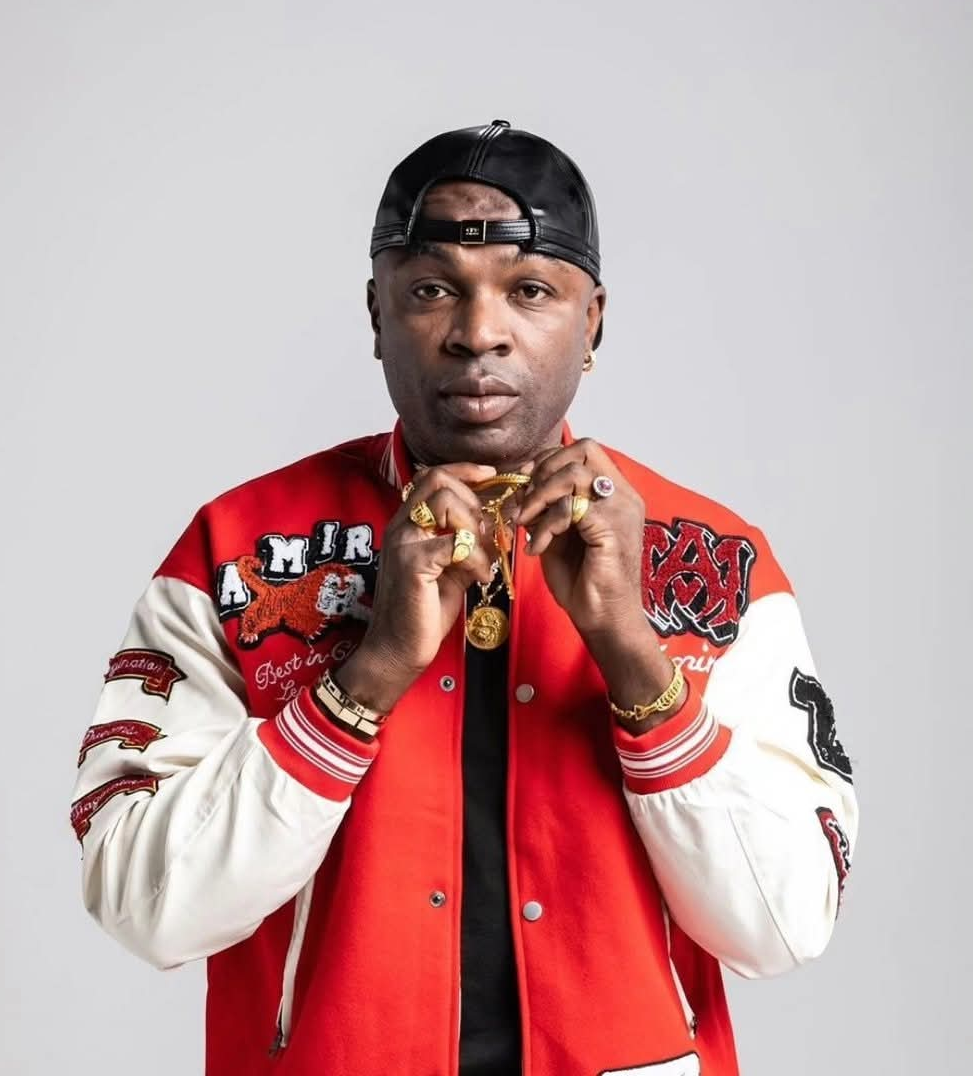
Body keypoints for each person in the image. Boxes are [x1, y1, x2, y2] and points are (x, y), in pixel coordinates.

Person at [70, 119, 858, 1076]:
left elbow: (784, 925)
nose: (478, 332)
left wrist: (632, 653)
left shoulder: (716, 562)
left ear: (594, 321)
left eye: (530, 291)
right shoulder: (238, 552)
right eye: (432, 289)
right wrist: (364, 680)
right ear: (376, 313)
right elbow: (145, 906)